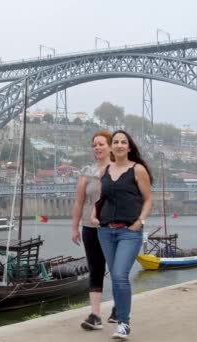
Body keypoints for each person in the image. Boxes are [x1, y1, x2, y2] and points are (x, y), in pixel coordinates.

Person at [93, 130, 153, 340]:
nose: (119, 145)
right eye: (115, 142)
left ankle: (124, 324)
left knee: (119, 275)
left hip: (129, 231)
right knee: (116, 278)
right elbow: (101, 199)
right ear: (112, 147)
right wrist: (94, 215)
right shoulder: (105, 171)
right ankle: (119, 318)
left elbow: (148, 200)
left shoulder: (138, 170)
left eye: (123, 142)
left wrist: (140, 222)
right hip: (105, 231)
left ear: (129, 147)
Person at [71, 130, 114, 331]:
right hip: (90, 228)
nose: (97, 148)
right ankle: (95, 315)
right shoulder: (86, 172)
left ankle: (119, 308)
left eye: (101, 144)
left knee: (117, 269)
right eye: (94, 145)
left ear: (110, 146)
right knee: (95, 269)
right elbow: (79, 202)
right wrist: (75, 227)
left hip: (113, 227)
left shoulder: (118, 170)